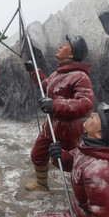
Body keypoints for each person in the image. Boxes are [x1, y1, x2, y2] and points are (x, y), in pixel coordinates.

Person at [24, 34, 94, 191]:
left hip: (69, 130)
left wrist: (55, 105)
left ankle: (85, 191)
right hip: (50, 126)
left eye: (65, 44)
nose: (60, 45)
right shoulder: (57, 74)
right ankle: (42, 183)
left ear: (71, 54)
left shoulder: (80, 76)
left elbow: (86, 104)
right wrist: (34, 71)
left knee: (72, 161)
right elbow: (45, 85)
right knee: (38, 154)